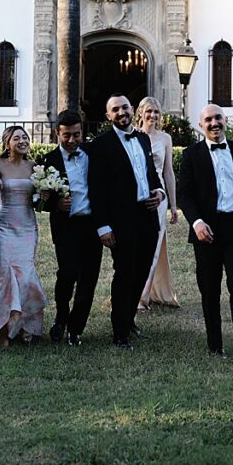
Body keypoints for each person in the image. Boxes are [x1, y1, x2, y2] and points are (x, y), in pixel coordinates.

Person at [177, 104, 233, 364]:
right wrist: (196, 222)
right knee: (209, 288)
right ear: (200, 125)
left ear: (225, 120)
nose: (214, 123)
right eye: (208, 119)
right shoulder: (191, 154)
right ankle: (214, 343)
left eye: (218, 118)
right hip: (206, 229)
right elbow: (185, 194)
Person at [87, 94, 165, 349]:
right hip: (121, 220)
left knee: (142, 271)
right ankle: (119, 332)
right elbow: (96, 189)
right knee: (124, 273)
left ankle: (129, 320)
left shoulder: (142, 138)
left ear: (132, 110)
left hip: (147, 215)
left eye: (124, 107)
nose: (121, 112)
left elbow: (152, 174)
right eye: (115, 110)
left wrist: (160, 193)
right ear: (108, 115)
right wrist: (103, 226)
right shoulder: (100, 145)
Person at [39, 109, 102, 346]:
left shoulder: (93, 154)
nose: (72, 140)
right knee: (67, 274)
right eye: (67, 135)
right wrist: (55, 203)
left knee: (89, 278)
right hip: (66, 227)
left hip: (92, 225)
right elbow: (37, 199)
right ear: (57, 133)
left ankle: (76, 329)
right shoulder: (48, 161)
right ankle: (61, 318)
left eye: (77, 134)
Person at [0, 126, 48, 347]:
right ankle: (0, 330)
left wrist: (44, 195)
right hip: (4, 226)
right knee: (4, 276)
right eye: (17, 138)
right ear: (7, 142)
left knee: (26, 275)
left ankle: (21, 328)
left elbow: (40, 200)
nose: (22, 141)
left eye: (25, 137)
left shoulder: (34, 167)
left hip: (28, 226)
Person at [135, 96, 180, 309]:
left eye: (156, 112)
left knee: (154, 245)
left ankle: (141, 297)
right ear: (140, 113)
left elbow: (168, 172)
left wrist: (173, 205)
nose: (153, 116)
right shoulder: (133, 136)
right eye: (149, 111)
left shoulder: (165, 139)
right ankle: (133, 288)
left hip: (159, 197)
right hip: (136, 196)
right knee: (137, 244)